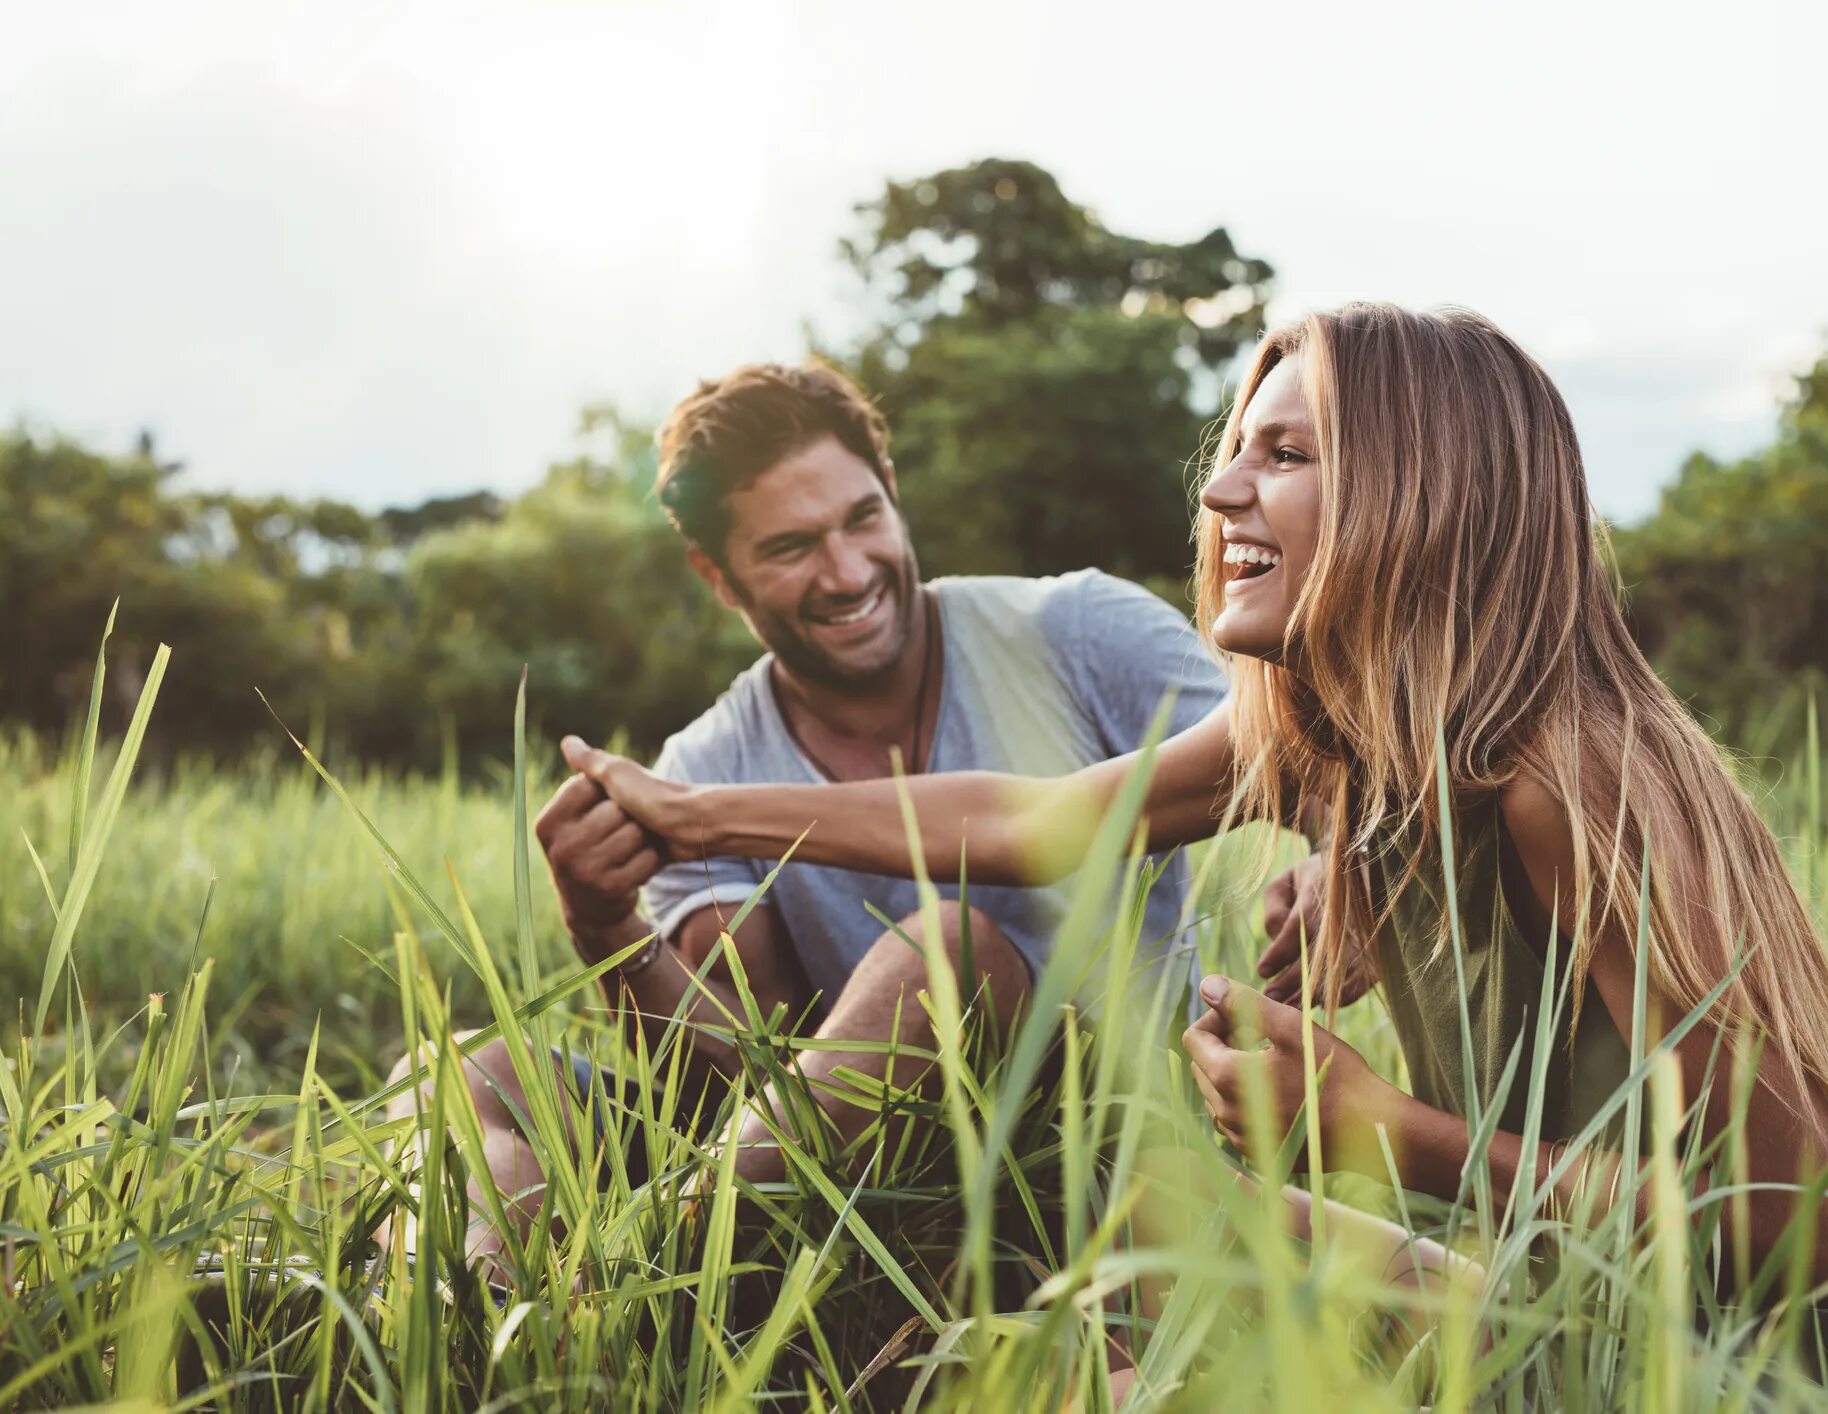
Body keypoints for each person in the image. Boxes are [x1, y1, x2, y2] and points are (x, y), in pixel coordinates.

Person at [565, 304, 1828, 1316]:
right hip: (1537, 1281)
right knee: (1127, 1230)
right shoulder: (1337, 736)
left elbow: (1811, 1235)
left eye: (1285, 453)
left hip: (1680, 1351)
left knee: (1147, 1297)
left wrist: (1389, 1133)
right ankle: (642, 1289)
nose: (1217, 491)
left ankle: (617, 1289)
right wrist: (694, 814)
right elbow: (1032, 822)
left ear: (1423, 495)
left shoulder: (1571, 781)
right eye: (1235, 449)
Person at [385, 360, 1233, 1273]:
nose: (846, 571)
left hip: (1091, 1150)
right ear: (718, 576)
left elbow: (1303, 761)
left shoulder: (1079, 630)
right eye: (790, 548)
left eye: (862, 519)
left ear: (892, 493)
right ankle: (481, 1297)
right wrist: (601, 926)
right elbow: (735, 1071)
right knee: (459, 1071)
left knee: (949, 952)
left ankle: (629, 1280)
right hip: (835, 1176)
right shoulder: (703, 763)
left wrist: (1326, 860)